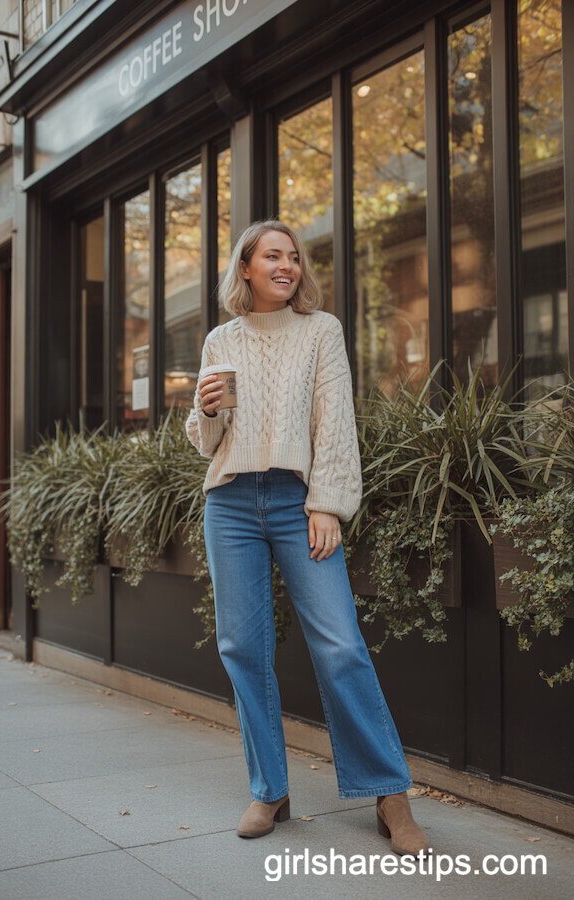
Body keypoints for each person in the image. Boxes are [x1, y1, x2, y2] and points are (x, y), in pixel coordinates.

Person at [185, 220, 428, 856]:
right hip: (231, 503)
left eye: (293, 256)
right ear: (245, 267)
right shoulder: (220, 339)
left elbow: (335, 423)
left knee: (341, 644)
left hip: (299, 503)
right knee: (242, 646)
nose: (286, 265)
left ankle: (389, 794)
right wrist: (206, 410)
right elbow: (208, 441)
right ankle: (270, 789)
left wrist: (328, 504)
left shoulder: (321, 331)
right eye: (272, 256)